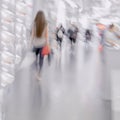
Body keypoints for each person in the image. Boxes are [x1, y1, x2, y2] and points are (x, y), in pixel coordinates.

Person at [31, 10, 49, 80]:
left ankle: (36, 73)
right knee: (41, 59)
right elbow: (46, 35)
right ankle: (39, 73)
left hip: (35, 44)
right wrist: (47, 44)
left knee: (35, 59)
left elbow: (32, 34)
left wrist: (31, 42)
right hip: (43, 44)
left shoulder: (34, 24)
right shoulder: (45, 24)